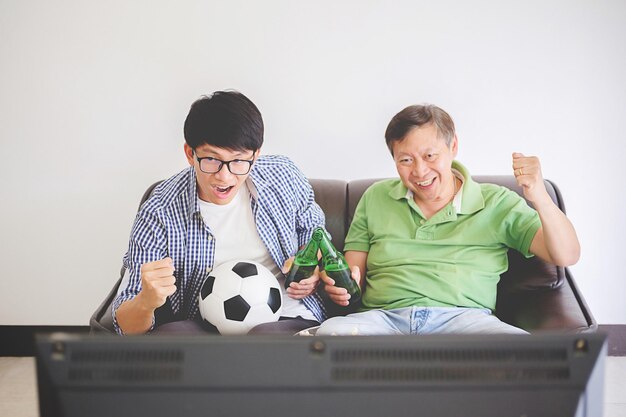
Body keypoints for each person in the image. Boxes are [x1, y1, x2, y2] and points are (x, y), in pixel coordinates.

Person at [318, 104, 580, 335]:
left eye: (430, 156)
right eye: (406, 160)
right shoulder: (375, 198)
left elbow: (566, 255)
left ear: (453, 146)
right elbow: (353, 279)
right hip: (383, 320)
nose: (420, 171)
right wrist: (343, 287)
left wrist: (540, 197)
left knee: (524, 354)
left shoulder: (496, 201)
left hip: (466, 321)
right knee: (329, 335)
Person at [113, 90, 327, 335]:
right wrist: (146, 301)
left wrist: (311, 265)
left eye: (238, 161)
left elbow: (315, 232)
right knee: (171, 337)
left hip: (286, 315)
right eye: (212, 160)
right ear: (189, 154)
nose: (224, 177)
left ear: (255, 155)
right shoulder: (160, 210)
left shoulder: (284, 176)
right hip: (201, 322)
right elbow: (125, 327)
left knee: (265, 340)